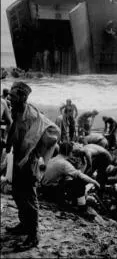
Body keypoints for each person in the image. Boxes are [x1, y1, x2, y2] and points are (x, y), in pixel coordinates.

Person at [5, 82, 60, 248]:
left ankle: (33, 235)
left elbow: (51, 135)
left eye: (12, 96)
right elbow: (14, 127)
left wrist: (36, 155)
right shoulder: (17, 110)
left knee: (29, 197)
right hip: (18, 159)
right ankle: (23, 224)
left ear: (22, 97)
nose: (9, 98)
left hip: (29, 162)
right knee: (16, 192)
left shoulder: (32, 116)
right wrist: (8, 145)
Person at [40, 142, 100, 212]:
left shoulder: (52, 159)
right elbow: (80, 175)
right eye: (72, 152)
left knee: (70, 181)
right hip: (51, 191)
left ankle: (74, 202)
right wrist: (94, 182)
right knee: (79, 181)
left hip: (44, 188)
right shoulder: (64, 163)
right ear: (69, 152)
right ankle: (82, 207)